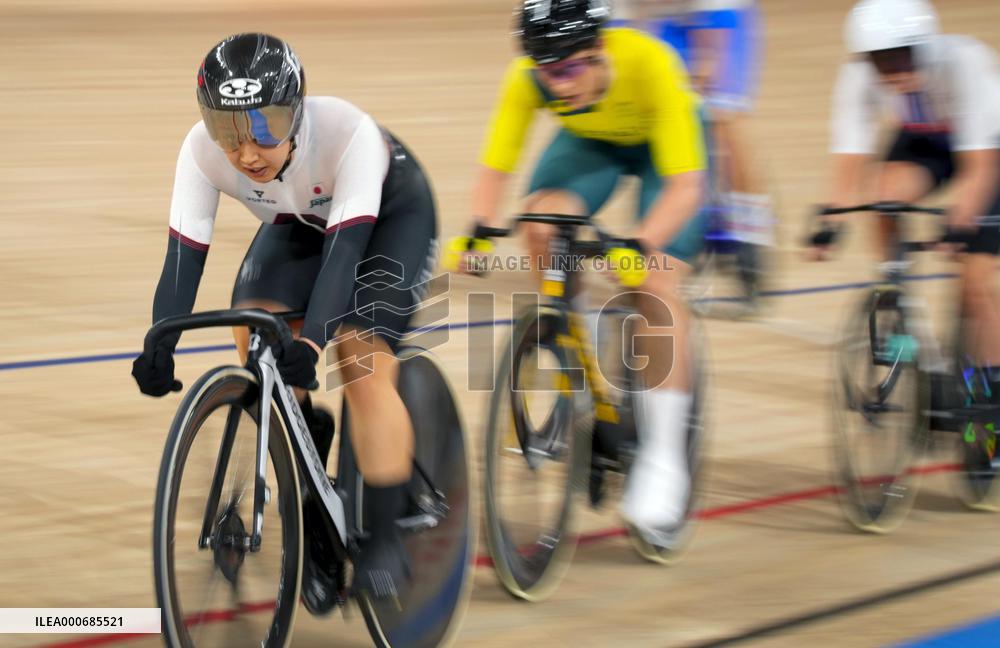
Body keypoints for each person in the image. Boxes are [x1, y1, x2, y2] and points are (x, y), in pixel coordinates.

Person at [130, 33, 438, 609]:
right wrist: (159, 341)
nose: (247, 151)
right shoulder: (199, 151)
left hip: (390, 218)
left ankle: (388, 532)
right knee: (259, 336)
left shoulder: (348, 134)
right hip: (302, 220)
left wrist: (316, 344)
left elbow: (344, 259)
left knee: (359, 353)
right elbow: (181, 260)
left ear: (296, 111)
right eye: (229, 130)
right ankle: (313, 495)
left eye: (266, 125)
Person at [447, 0, 707, 545]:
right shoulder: (534, 77)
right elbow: (497, 164)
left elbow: (686, 187)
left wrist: (641, 243)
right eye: (546, 72)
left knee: (655, 283)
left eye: (568, 69)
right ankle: (578, 335)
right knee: (540, 223)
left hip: (665, 152)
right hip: (593, 143)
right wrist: (477, 228)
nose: (557, 85)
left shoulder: (653, 64)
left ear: (600, 50)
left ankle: (664, 463)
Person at [810, 0, 1000, 411]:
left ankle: (991, 391)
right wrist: (831, 218)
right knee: (882, 198)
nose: (894, 69)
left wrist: (961, 223)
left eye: (902, 56)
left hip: (988, 145)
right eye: (882, 61)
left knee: (974, 278)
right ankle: (905, 317)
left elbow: (980, 168)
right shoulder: (857, 77)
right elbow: (849, 157)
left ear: (926, 47)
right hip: (927, 139)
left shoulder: (964, 63)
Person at [616, 0, 772, 249]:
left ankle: (751, 227)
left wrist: (705, 77)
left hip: (718, 10)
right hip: (667, 15)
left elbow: (714, 52)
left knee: (721, 118)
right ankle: (679, 213)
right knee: (667, 114)